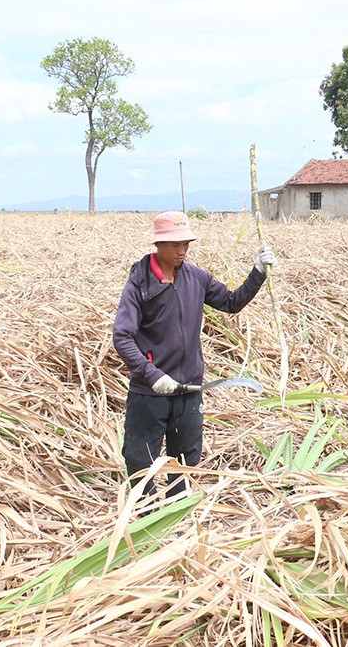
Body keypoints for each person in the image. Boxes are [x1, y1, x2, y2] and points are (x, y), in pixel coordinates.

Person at [113, 211, 277, 499]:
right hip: (149, 393)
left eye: (186, 244)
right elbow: (122, 337)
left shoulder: (196, 278)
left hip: (189, 389)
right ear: (158, 244)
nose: (182, 251)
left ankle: (177, 518)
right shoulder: (139, 283)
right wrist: (153, 376)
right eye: (175, 245)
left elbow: (231, 302)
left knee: (186, 462)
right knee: (139, 459)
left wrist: (258, 273)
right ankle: (146, 517)